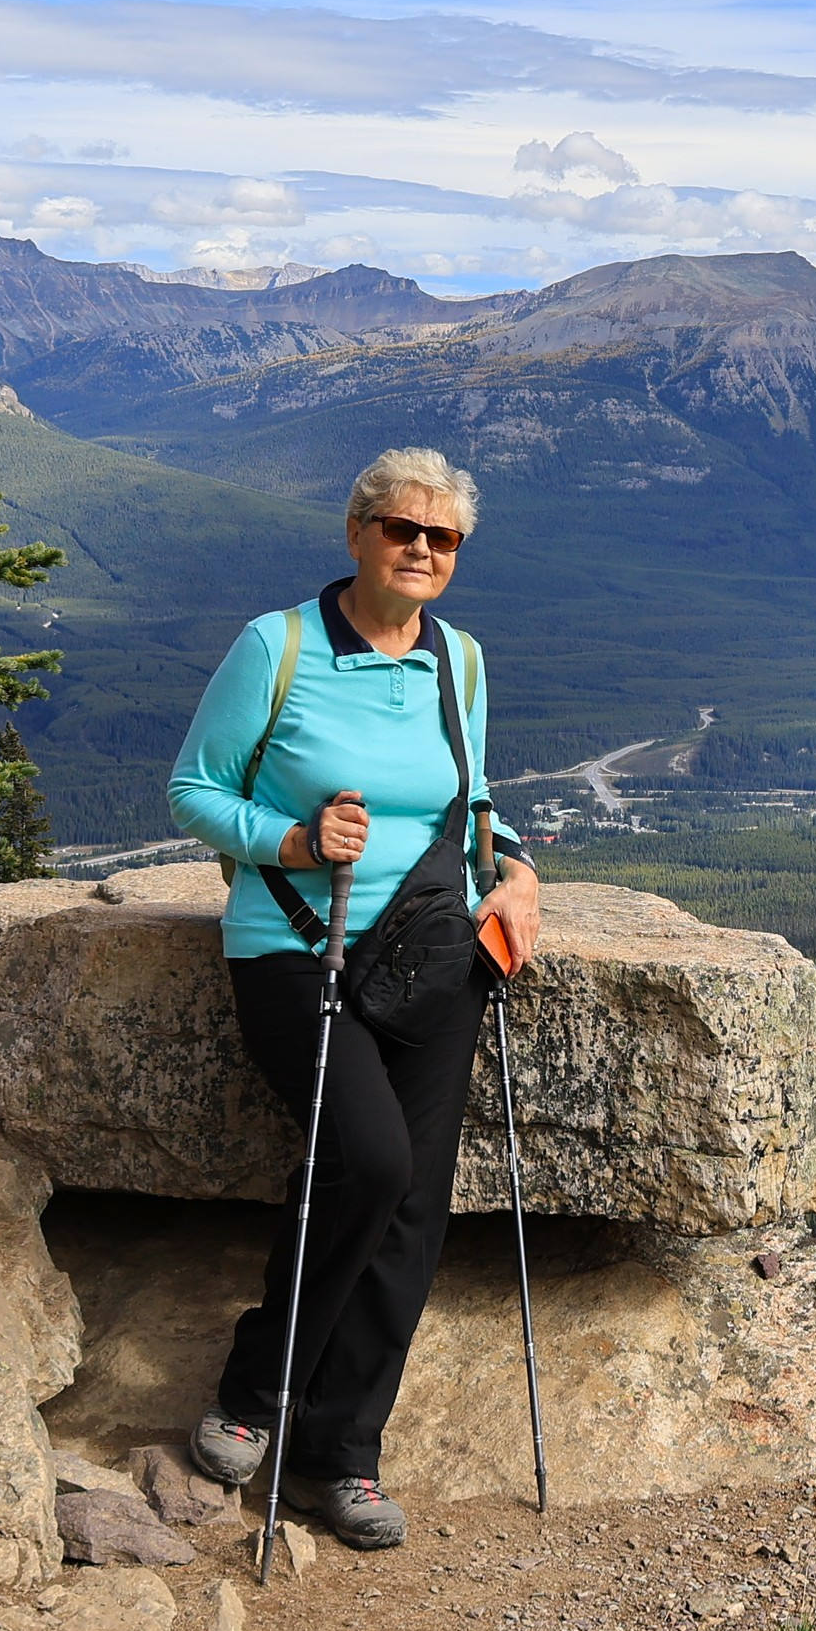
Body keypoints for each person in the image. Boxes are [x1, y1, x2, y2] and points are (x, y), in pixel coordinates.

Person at [165, 446, 545, 1549]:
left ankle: (342, 1451)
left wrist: (513, 868)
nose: (421, 549)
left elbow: (468, 799)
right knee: (370, 1162)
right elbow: (193, 787)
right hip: (296, 945)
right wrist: (285, 837)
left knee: (416, 1202)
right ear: (357, 533)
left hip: (433, 951)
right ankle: (253, 1384)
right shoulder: (276, 646)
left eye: (443, 537)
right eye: (401, 529)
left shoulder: (458, 659)